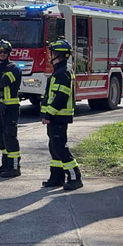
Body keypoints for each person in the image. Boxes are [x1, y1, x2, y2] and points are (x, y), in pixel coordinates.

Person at [41, 39, 82, 190]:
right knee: (54, 148)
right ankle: (56, 177)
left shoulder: (62, 73)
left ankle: (74, 177)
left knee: (61, 148)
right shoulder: (59, 72)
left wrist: (48, 115)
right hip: (55, 118)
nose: (50, 55)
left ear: (57, 54)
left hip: (58, 117)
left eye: (52, 52)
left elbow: (60, 97)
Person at [0, 39, 22, 178]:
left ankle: (14, 166)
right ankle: (5, 164)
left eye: (4, 52)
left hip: (10, 108)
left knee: (10, 136)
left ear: (8, 53)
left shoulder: (14, 68)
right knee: (1, 137)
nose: (2, 54)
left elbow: (3, 82)